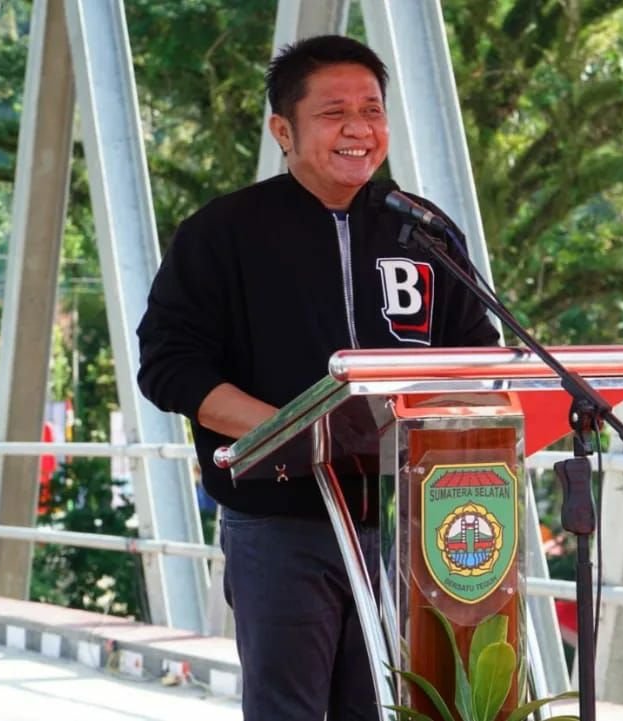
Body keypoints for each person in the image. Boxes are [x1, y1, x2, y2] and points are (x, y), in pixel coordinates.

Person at [136, 35, 498, 721]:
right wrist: (288, 430)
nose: (359, 129)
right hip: (280, 522)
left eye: (372, 110)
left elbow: (478, 356)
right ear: (283, 130)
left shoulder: (421, 230)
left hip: (410, 520)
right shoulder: (224, 232)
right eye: (334, 113)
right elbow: (170, 364)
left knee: (389, 707)